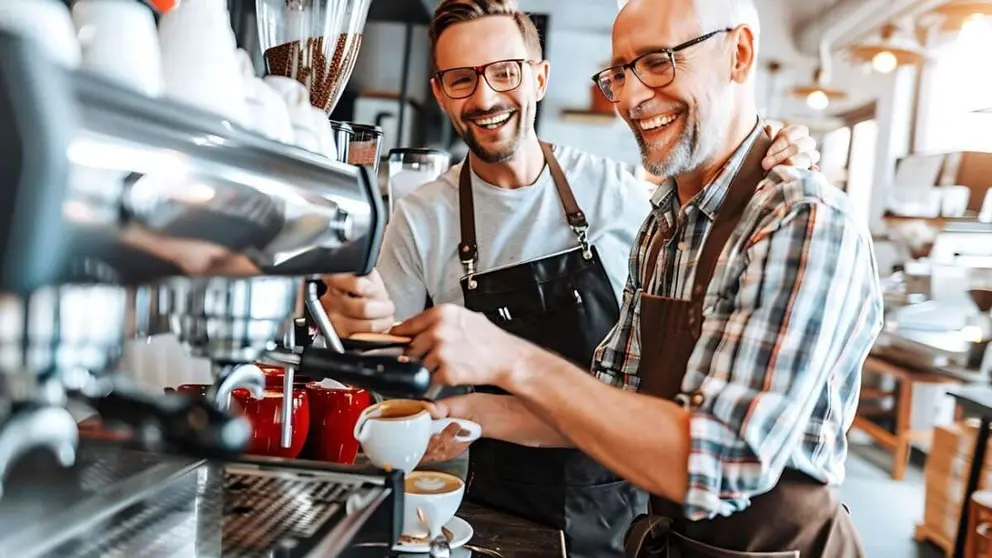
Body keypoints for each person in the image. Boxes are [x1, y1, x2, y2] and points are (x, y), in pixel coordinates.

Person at [322, 1, 821, 556]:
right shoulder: (422, 217)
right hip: (505, 504)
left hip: (630, 503)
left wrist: (763, 156)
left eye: (505, 72)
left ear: (539, 78)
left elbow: (688, 438)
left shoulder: (632, 199)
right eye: (462, 80)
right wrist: (357, 336)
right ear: (441, 93)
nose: (485, 98)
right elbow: (389, 372)